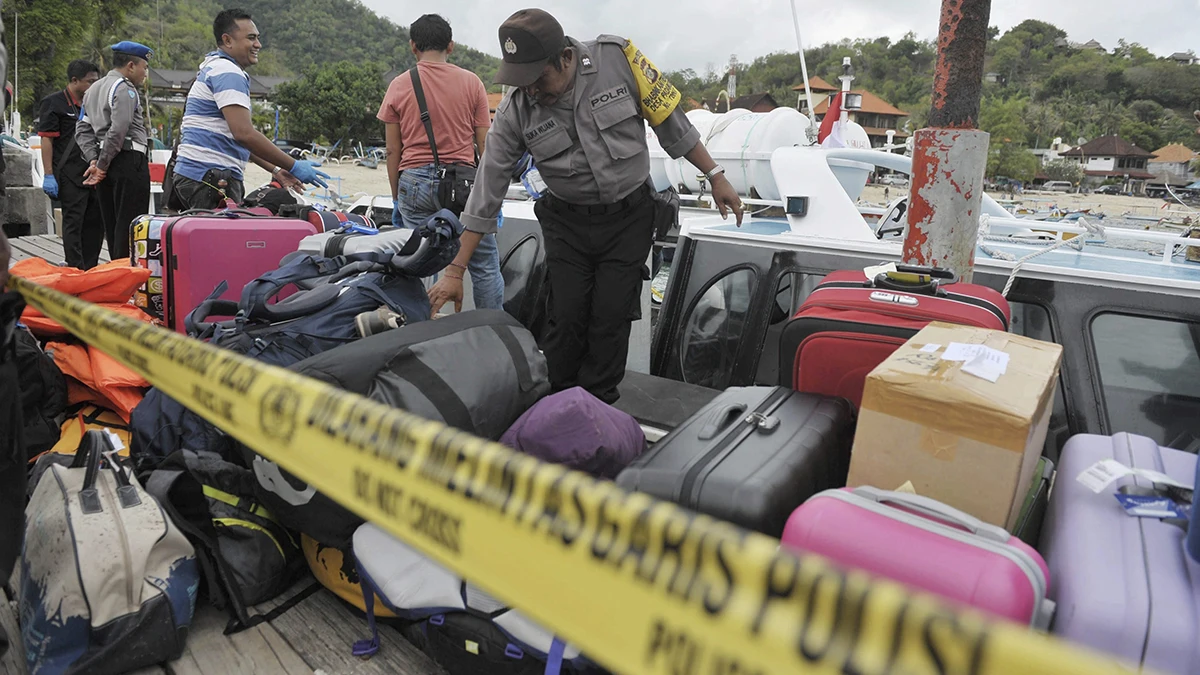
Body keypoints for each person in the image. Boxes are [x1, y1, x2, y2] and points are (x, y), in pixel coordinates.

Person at [431, 9, 742, 404]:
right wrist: (455, 270)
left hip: (628, 218)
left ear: (564, 57)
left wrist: (715, 175)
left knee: (611, 319)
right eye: (520, 81)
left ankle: (597, 409)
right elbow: (487, 190)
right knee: (566, 319)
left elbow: (672, 124)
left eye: (537, 78)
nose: (530, 91)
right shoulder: (515, 109)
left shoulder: (620, 59)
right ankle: (555, 407)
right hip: (567, 224)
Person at [377, 13, 502, 309]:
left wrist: (397, 198)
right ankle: (490, 332)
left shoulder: (399, 84)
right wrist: (490, 198)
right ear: (451, 45)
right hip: (464, 185)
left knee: (415, 263)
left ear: (412, 46)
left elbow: (393, 151)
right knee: (484, 265)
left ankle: (418, 331)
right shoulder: (472, 83)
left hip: (415, 183)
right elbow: (486, 144)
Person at [173, 8, 328, 210]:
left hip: (199, 176)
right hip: (210, 178)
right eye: (251, 38)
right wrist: (294, 165)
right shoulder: (228, 71)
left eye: (258, 38)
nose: (258, 45)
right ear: (227, 40)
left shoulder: (214, 66)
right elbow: (244, 134)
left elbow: (235, 137)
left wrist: (276, 170)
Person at [75, 41, 154, 261]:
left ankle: (116, 276)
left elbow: (82, 129)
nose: (145, 73)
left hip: (106, 161)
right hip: (128, 160)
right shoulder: (124, 89)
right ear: (131, 66)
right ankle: (128, 279)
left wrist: (95, 160)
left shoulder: (93, 90)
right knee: (131, 225)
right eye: (144, 67)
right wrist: (100, 165)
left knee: (112, 225)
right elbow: (119, 129)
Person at [38, 59, 102, 269]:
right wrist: (49, 175)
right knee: (73, 222)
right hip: (68, 174)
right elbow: (46, 139)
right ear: (74, 81)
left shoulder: (94, 104)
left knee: (95, 223)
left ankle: (90, 267)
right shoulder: (54, 103)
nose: (93, 86)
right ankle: (75, 267)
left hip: (93, 172)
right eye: (89, 82)